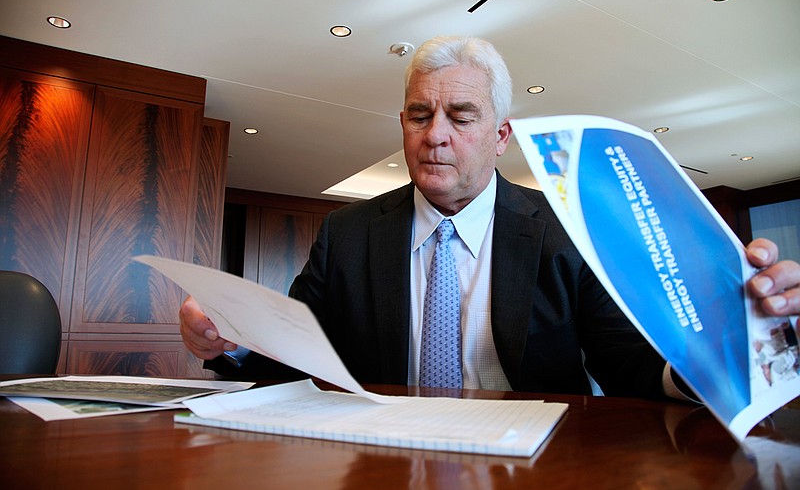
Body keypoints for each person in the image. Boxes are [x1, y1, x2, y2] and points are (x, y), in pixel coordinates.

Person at [180, 36, 800, 398]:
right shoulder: (346, 235)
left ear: (500, 134)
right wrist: (231, 343)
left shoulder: (565, 230)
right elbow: (298, 354)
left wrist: (722, 352)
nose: (436, 137)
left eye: (462, 116)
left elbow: (626, 365)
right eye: (419, 116)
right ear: (403, 125)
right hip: (384, 463)